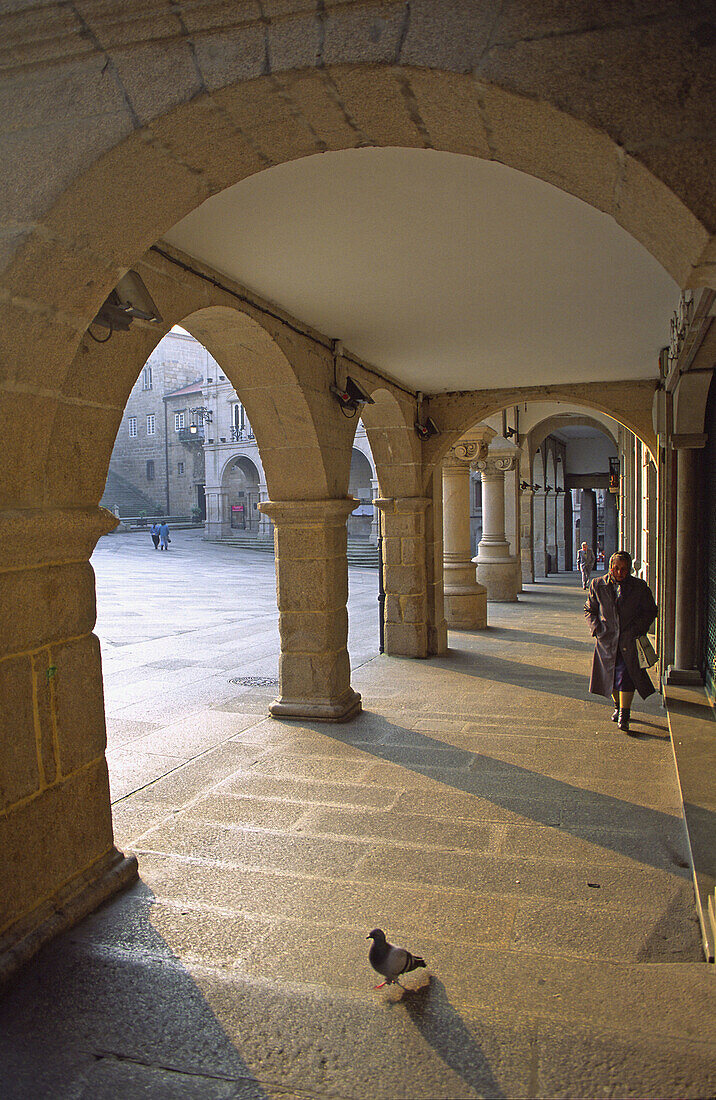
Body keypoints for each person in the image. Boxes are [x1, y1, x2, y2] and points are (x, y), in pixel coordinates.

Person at [584, 550, 657, 734]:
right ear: (610, 567)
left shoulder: (639, 587)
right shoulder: (597, 584)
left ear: (630, 569)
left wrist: (636, 629)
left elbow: (650, 611)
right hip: (607, 640)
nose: (619, 572)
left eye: (623, 569)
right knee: (610, 676)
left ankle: (625, 714)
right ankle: (617, 706)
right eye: (616, 568)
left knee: (626, 677)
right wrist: (596, 629)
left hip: (629, 640)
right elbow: (589, 609)